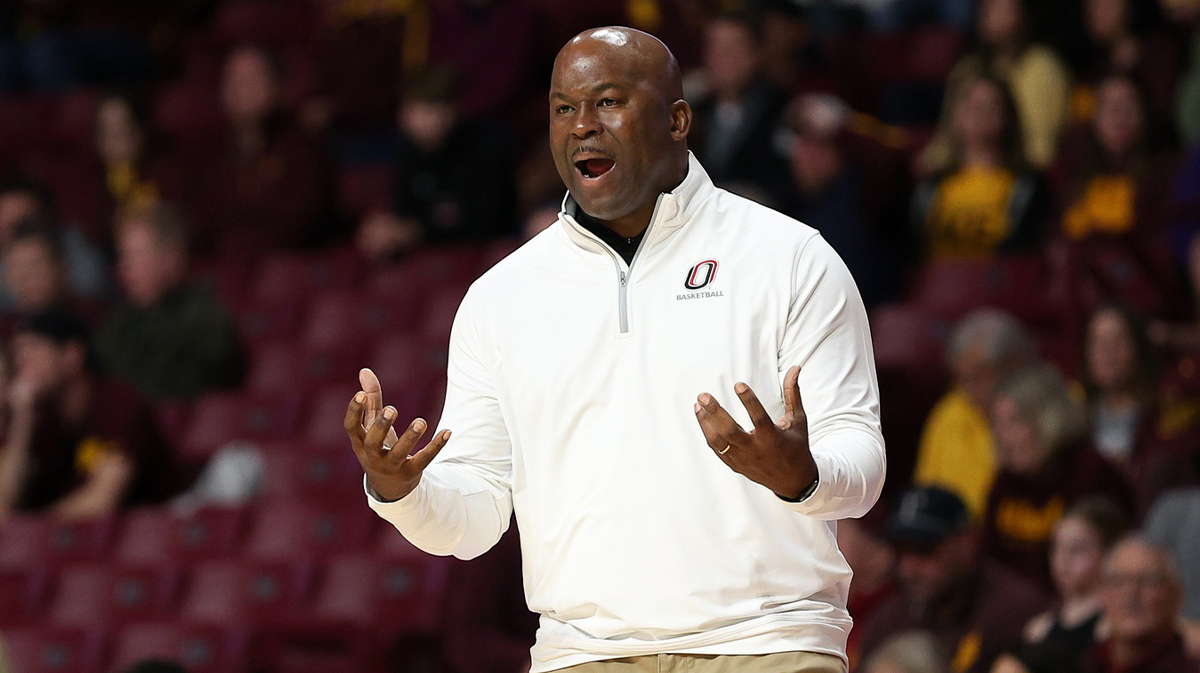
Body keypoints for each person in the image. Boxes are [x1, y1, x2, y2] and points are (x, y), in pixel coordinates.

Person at [346, 26, 885, 673]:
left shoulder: (791, 259)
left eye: (607, 102)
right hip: (583, 653)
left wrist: (805, 477)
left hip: (767, 643)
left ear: (677, 119)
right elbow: (476, 518)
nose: (582, 126)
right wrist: (402, 490)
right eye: (563, 108)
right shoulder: (501, 297)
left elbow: (862, 461)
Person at [0, 309, 187, 519]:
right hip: (71, 542)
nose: (22, 363)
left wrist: (32, 532)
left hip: (152, 533)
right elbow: (3, 504)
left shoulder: (117, 403)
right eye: (17, 353)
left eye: (32, 349)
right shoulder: (40, 414)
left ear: (73, 356)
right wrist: (22, 422)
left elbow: (103, 498)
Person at [857, 486, 1047, 673]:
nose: (907, 568)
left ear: (967, 542)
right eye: (899, 550)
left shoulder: (1013, 613)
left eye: (923, 548)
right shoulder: (887, 622)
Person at [984, 364, 1134, 589]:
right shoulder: (1006, 480)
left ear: (1049, 419)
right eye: (998, 425)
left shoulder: (1092, 474)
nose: (1003, 437)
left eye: (1014, 422)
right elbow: (988, 558)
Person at [355, 67, 518, 263]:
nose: (425, 119)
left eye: (433, 108)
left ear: (453, 110)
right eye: (416, 109)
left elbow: (488, 222)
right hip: (425, 256)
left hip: (482, 254)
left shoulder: (484, 147)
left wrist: (416, 231)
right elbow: (406, 212)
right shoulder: (408, 154)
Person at [93, 202, 243, 400]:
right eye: (123, 258)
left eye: (137, 257)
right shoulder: (119, 323)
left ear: (173, 258)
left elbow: (175, 395)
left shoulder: (210, 323)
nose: (126, 271)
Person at [913, 309, 1038, 520]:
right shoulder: (949, 412)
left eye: (980, 375)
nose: (969, 389)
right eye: (962, 378)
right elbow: (925, 496)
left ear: (1014, 365)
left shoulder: (1053, 406)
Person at [912, 75, 1048, 259]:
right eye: (973, 106)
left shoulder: (1027, 186)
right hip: (940, 282)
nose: (981, 114)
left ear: (1007, 116)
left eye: (991, 106)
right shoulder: (931, 186)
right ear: (957, 114)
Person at [994, 497, 1130, 673]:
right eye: (1056, 548)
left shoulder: (1114, 627)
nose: (1062, 561)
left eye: (1077, 550)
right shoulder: (1039, 629)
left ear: (1108, 554)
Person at [931, 0, 1071, 170]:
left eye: (1003, 5)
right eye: (988, 5)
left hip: (1019, 172)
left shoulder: (1044, 67)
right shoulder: (967, 68)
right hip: (962, 174)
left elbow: (1042, 151)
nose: (993, 12)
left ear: (1023, 11)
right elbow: (946, 139)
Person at [688, 11, 790, 197]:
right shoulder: (690, 113)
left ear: (757, 53)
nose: (722, 57)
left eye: (734, 47)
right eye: (714, 47)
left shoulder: (783, 112)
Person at [1078, 537, 1199, 673]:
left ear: (1177, 596)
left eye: (1149, 581)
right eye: (1118, 580)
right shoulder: (1085, 663)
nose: (1131, 592)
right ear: (1102, 594)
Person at [0, 175, 112, 307]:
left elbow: (92, 281)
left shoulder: (72, 246)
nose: (12, 232)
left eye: (21, 222)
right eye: (3, 223)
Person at [1080, 304, 1161, 474]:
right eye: (1097, 341)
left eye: (1118, 340)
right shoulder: (1075, 413)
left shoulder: (1160, 414)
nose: (1106, 351)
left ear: (1139, 348)